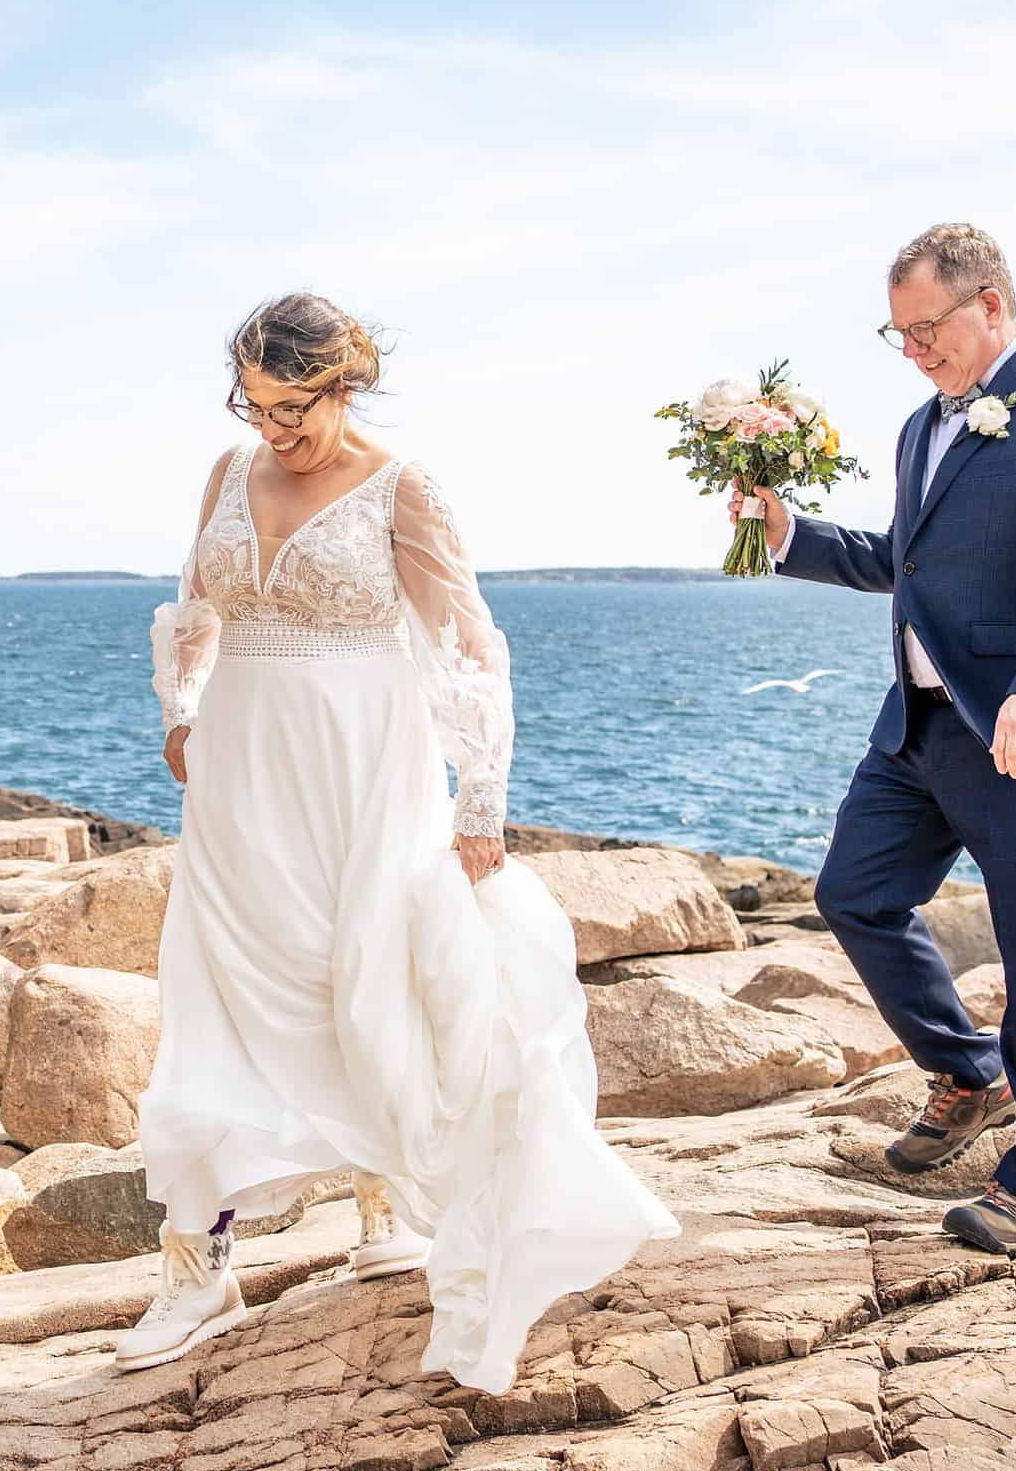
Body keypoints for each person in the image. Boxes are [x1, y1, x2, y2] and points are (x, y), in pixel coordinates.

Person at [124, 292, 678, 1394]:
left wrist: (481, 802)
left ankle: (386, 1195)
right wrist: (179, 707)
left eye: (293, 405)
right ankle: (199, 1260)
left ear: (343, 386)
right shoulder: (227, 474)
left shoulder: (401, 485)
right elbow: (196, 601)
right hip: (239, 766)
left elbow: (471, 640)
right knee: (213, 990)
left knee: (366, 977)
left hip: (362, 762)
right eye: (254, 401)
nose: (272, 426)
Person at [733, 223, 1016, 1256]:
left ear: (990, 304)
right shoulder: (923, 426)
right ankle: (971, 1069)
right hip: (917, 724)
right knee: (853, 891)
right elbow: (904, 564)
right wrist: (786, 532)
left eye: (927, 327)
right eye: (897, 332)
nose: (913, 349)